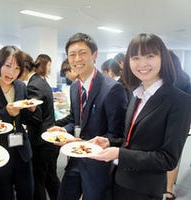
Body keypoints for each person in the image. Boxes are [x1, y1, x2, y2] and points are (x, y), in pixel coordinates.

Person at [89, 33, 191, 200]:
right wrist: (110, 142)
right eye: (135, 58)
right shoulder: (136, 94)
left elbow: (168, 158)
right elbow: (132, 139)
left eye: (150, 56)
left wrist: (119, 154)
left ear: (162, 58)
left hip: (144, 189)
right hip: (119, 179)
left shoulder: (180, 101)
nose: (142, 64)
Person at [48, 32, 128, 200]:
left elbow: (118, 136)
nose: (77, 59)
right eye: (72, 54)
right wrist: (62, 131)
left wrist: (86, 143)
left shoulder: (112, 89)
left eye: (82, 53)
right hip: (76, 157)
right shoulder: (74, 87)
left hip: (99, 163)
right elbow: (74, 121)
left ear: (94, 54)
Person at [0, 46, 39, 200]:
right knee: (3, 195)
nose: (11, 73)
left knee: (27, 193)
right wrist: (6, 113)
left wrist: (32, 110)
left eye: (17, 68)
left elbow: (26, 119)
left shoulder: (20, 86)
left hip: (22, 151)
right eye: (8, 66)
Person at [21, 53, 60, 200]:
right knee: (51, 178)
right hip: (49, 139)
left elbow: (36, 117)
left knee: (38, 180)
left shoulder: (33, 85)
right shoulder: (42, 82)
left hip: (40, 141)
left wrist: (20, 114)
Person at [165, 50, 191, 200]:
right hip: (182, 122)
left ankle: (167, 186)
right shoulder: (185, 78)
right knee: (174, 154)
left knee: (165, 154)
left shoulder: (166, 79)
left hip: (167, 121)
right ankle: (169, 189)